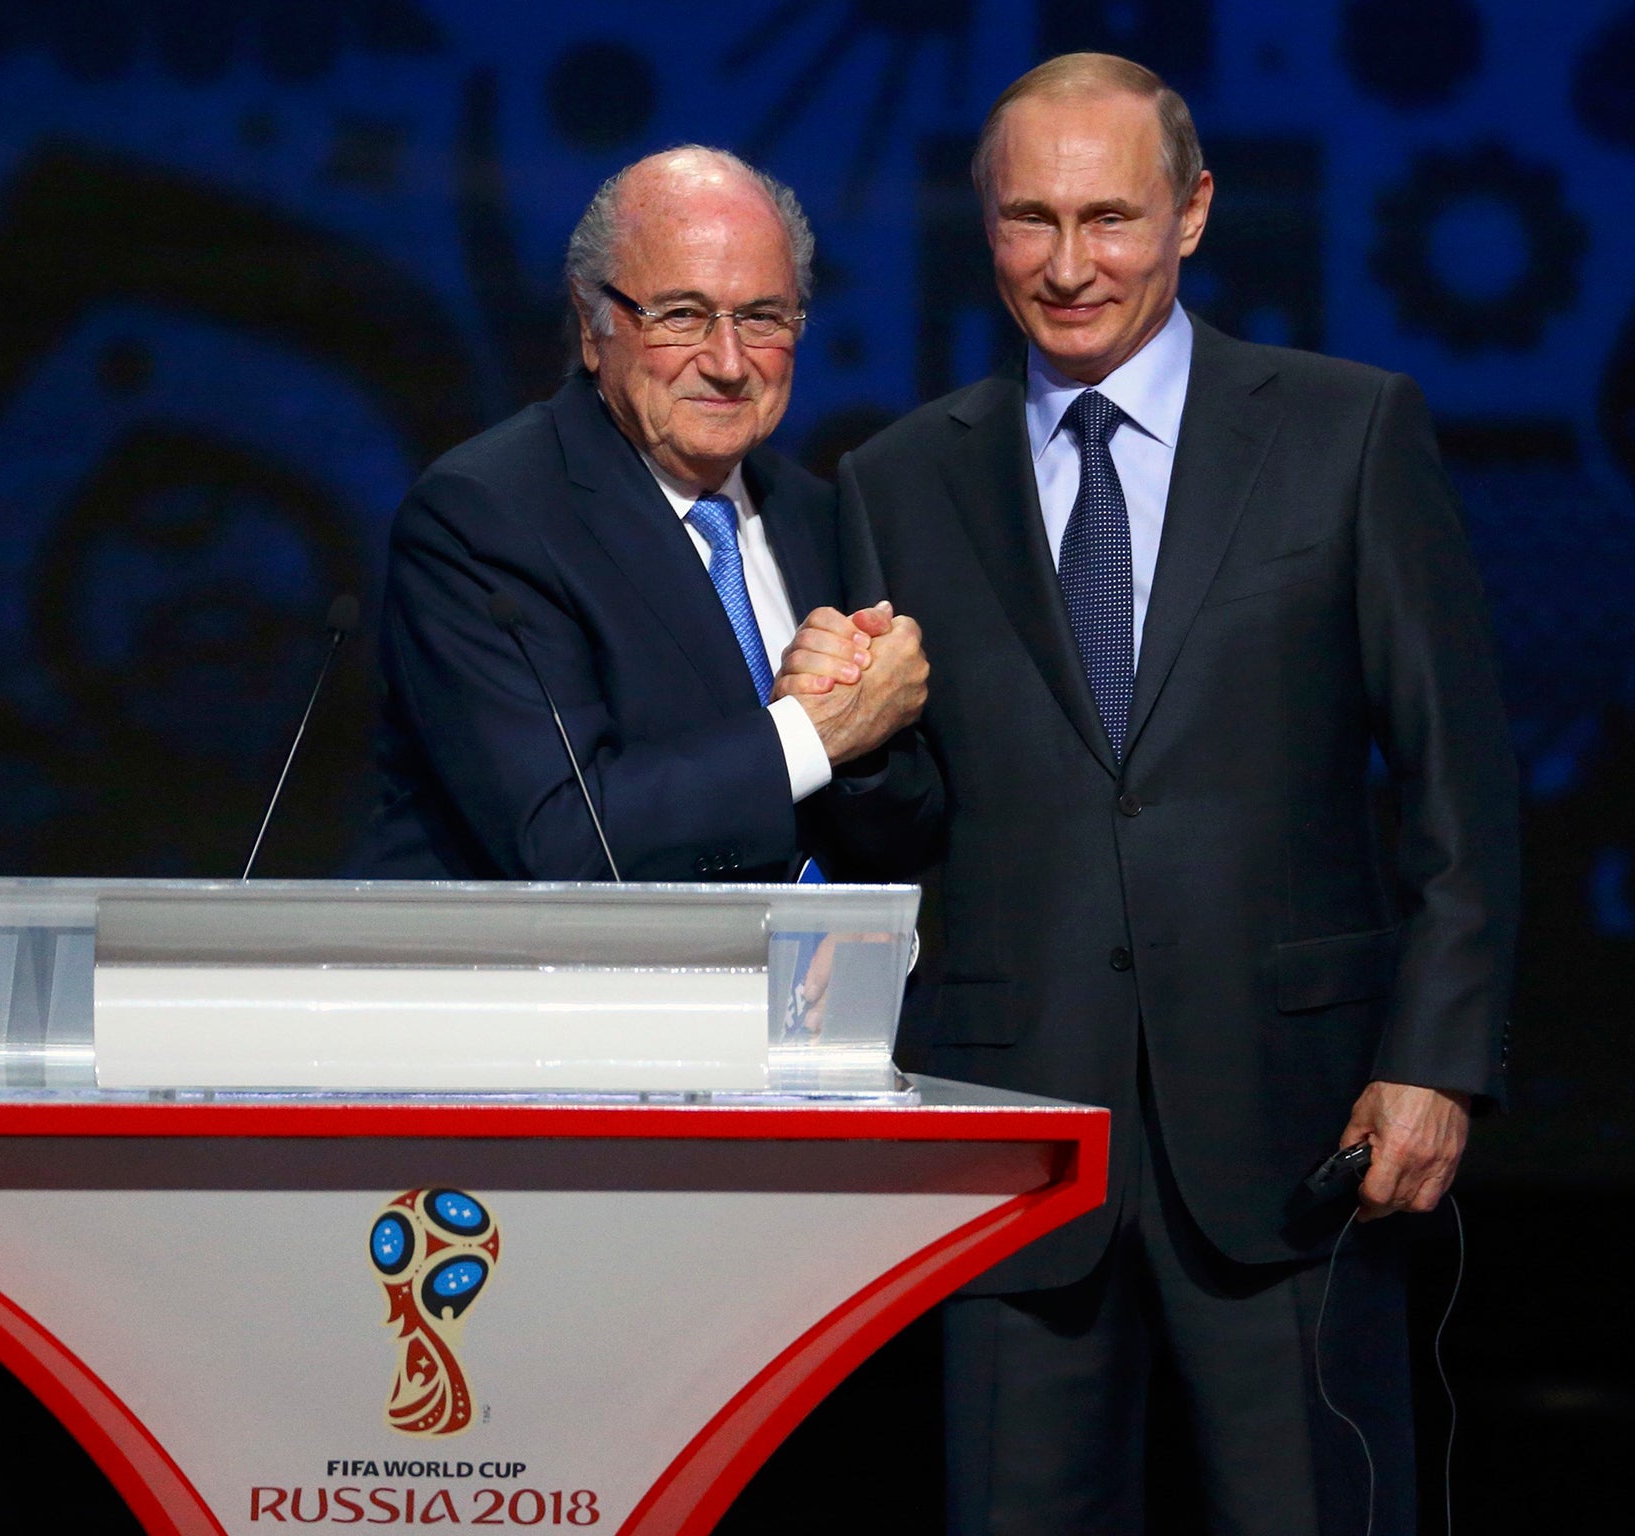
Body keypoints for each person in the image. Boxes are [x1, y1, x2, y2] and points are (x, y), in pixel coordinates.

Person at [780, 53, 1519, 1534]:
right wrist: (842, 738)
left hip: (1302, 1133)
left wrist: (1438, 1059)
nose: (1068, 266)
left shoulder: (1345, 430)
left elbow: (1462, 781)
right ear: (982, 224)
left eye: (1109, 217)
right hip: (1016, 1127)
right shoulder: (899, 477)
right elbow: (901, 832)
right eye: (1029, 221)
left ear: (1192, 212)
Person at [351, 145, 924, 880]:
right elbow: (561, 837)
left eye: (761, 317)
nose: (726, 360)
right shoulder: (485, 518)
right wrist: (813, 733)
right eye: (681, 315)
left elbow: (906, 834)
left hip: (828, 989)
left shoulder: (821, 514)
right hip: (593, 989)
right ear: (594, 328)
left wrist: (875, 729)